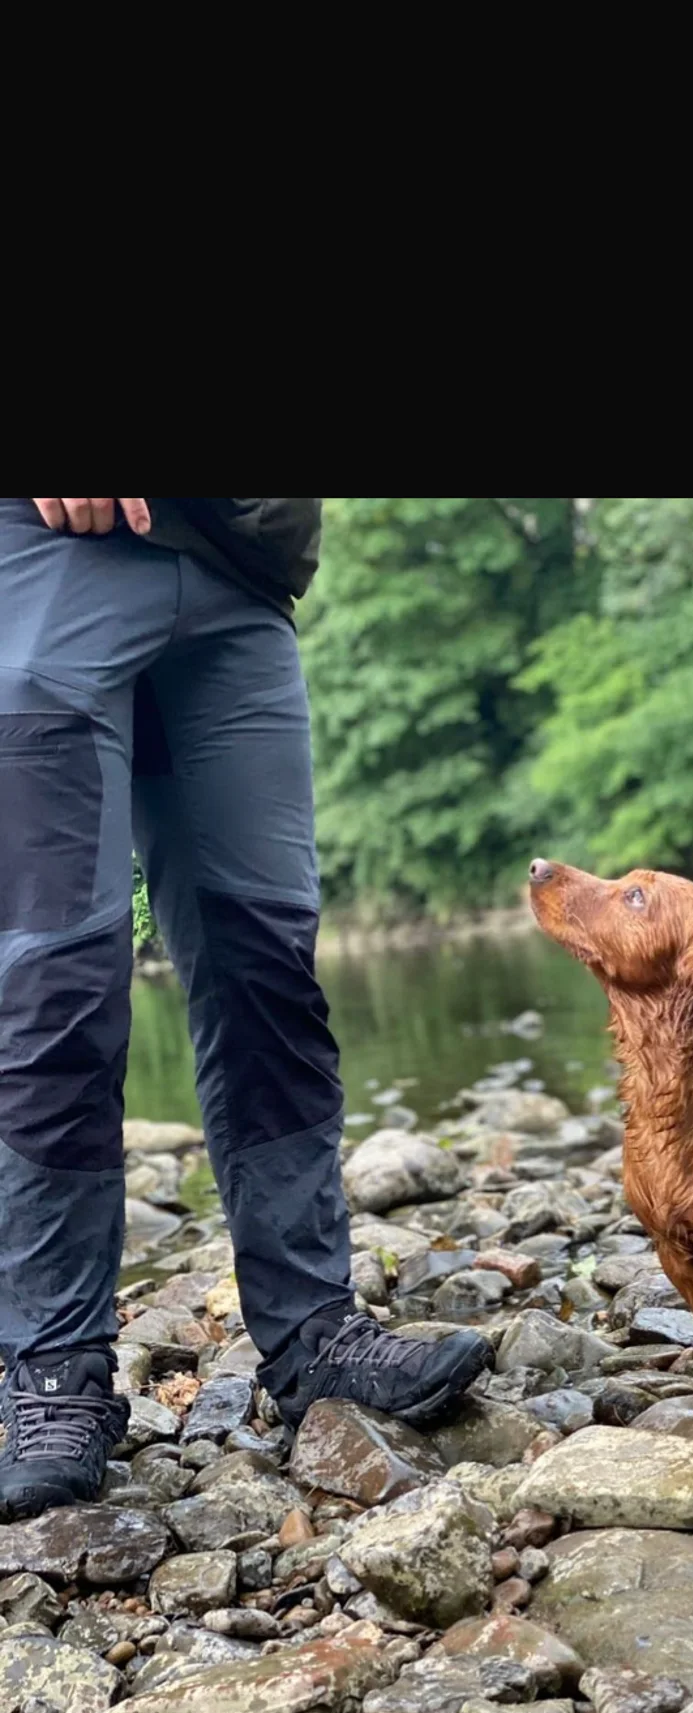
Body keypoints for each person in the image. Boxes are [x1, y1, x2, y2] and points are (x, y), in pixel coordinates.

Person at [0, 497, 491, 1521]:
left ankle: (312, 1332)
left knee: (268, 969)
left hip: (240, 569)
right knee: (57, 985)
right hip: (47, 551)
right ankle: (55, 1372)